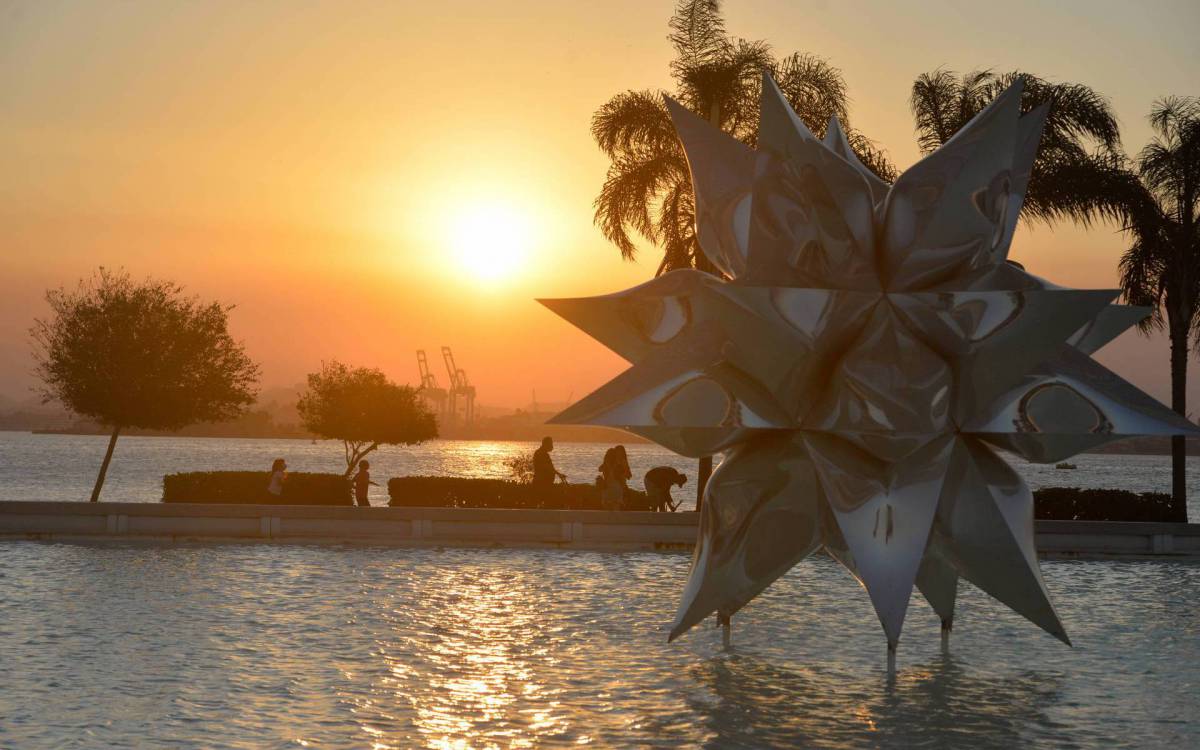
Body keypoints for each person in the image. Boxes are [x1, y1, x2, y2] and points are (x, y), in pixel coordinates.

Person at [598, 445, 631, 511]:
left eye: (620, 452)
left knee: (610, 505)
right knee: (614, 505)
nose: (619, 454)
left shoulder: (620, 463)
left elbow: (628, 475)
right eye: (617, 452)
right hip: (615, 487)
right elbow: (600, 469)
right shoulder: (616, 464)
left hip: (611, 487)